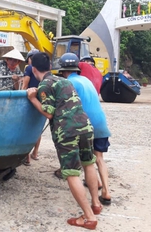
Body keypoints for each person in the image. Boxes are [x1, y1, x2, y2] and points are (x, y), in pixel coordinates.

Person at [26, 52, 101, 230]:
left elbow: (48, 113)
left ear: (34, 69)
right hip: (85, 126)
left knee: (71, 173)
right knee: (89, 163)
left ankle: (89, 218)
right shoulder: (65, 81)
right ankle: (96, 205)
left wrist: (32, 98)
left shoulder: (45, 84)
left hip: (67, 132)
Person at [58, 53, 112, 206]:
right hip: (101, 122)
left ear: (62, 70)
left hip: (86, 125)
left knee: (87, 161)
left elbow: (67, 106)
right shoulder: (86, 80)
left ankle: (93, 197)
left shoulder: (68, 83)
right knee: (99, 158)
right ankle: (106, 191)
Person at [22, 49, 41, 166]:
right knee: (37, 128)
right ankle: (35, 153)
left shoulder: (29, 68)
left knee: (26, 128)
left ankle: (27, 157)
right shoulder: (43, 69)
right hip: (39, 100)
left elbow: (24, 86)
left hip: (30, 99)